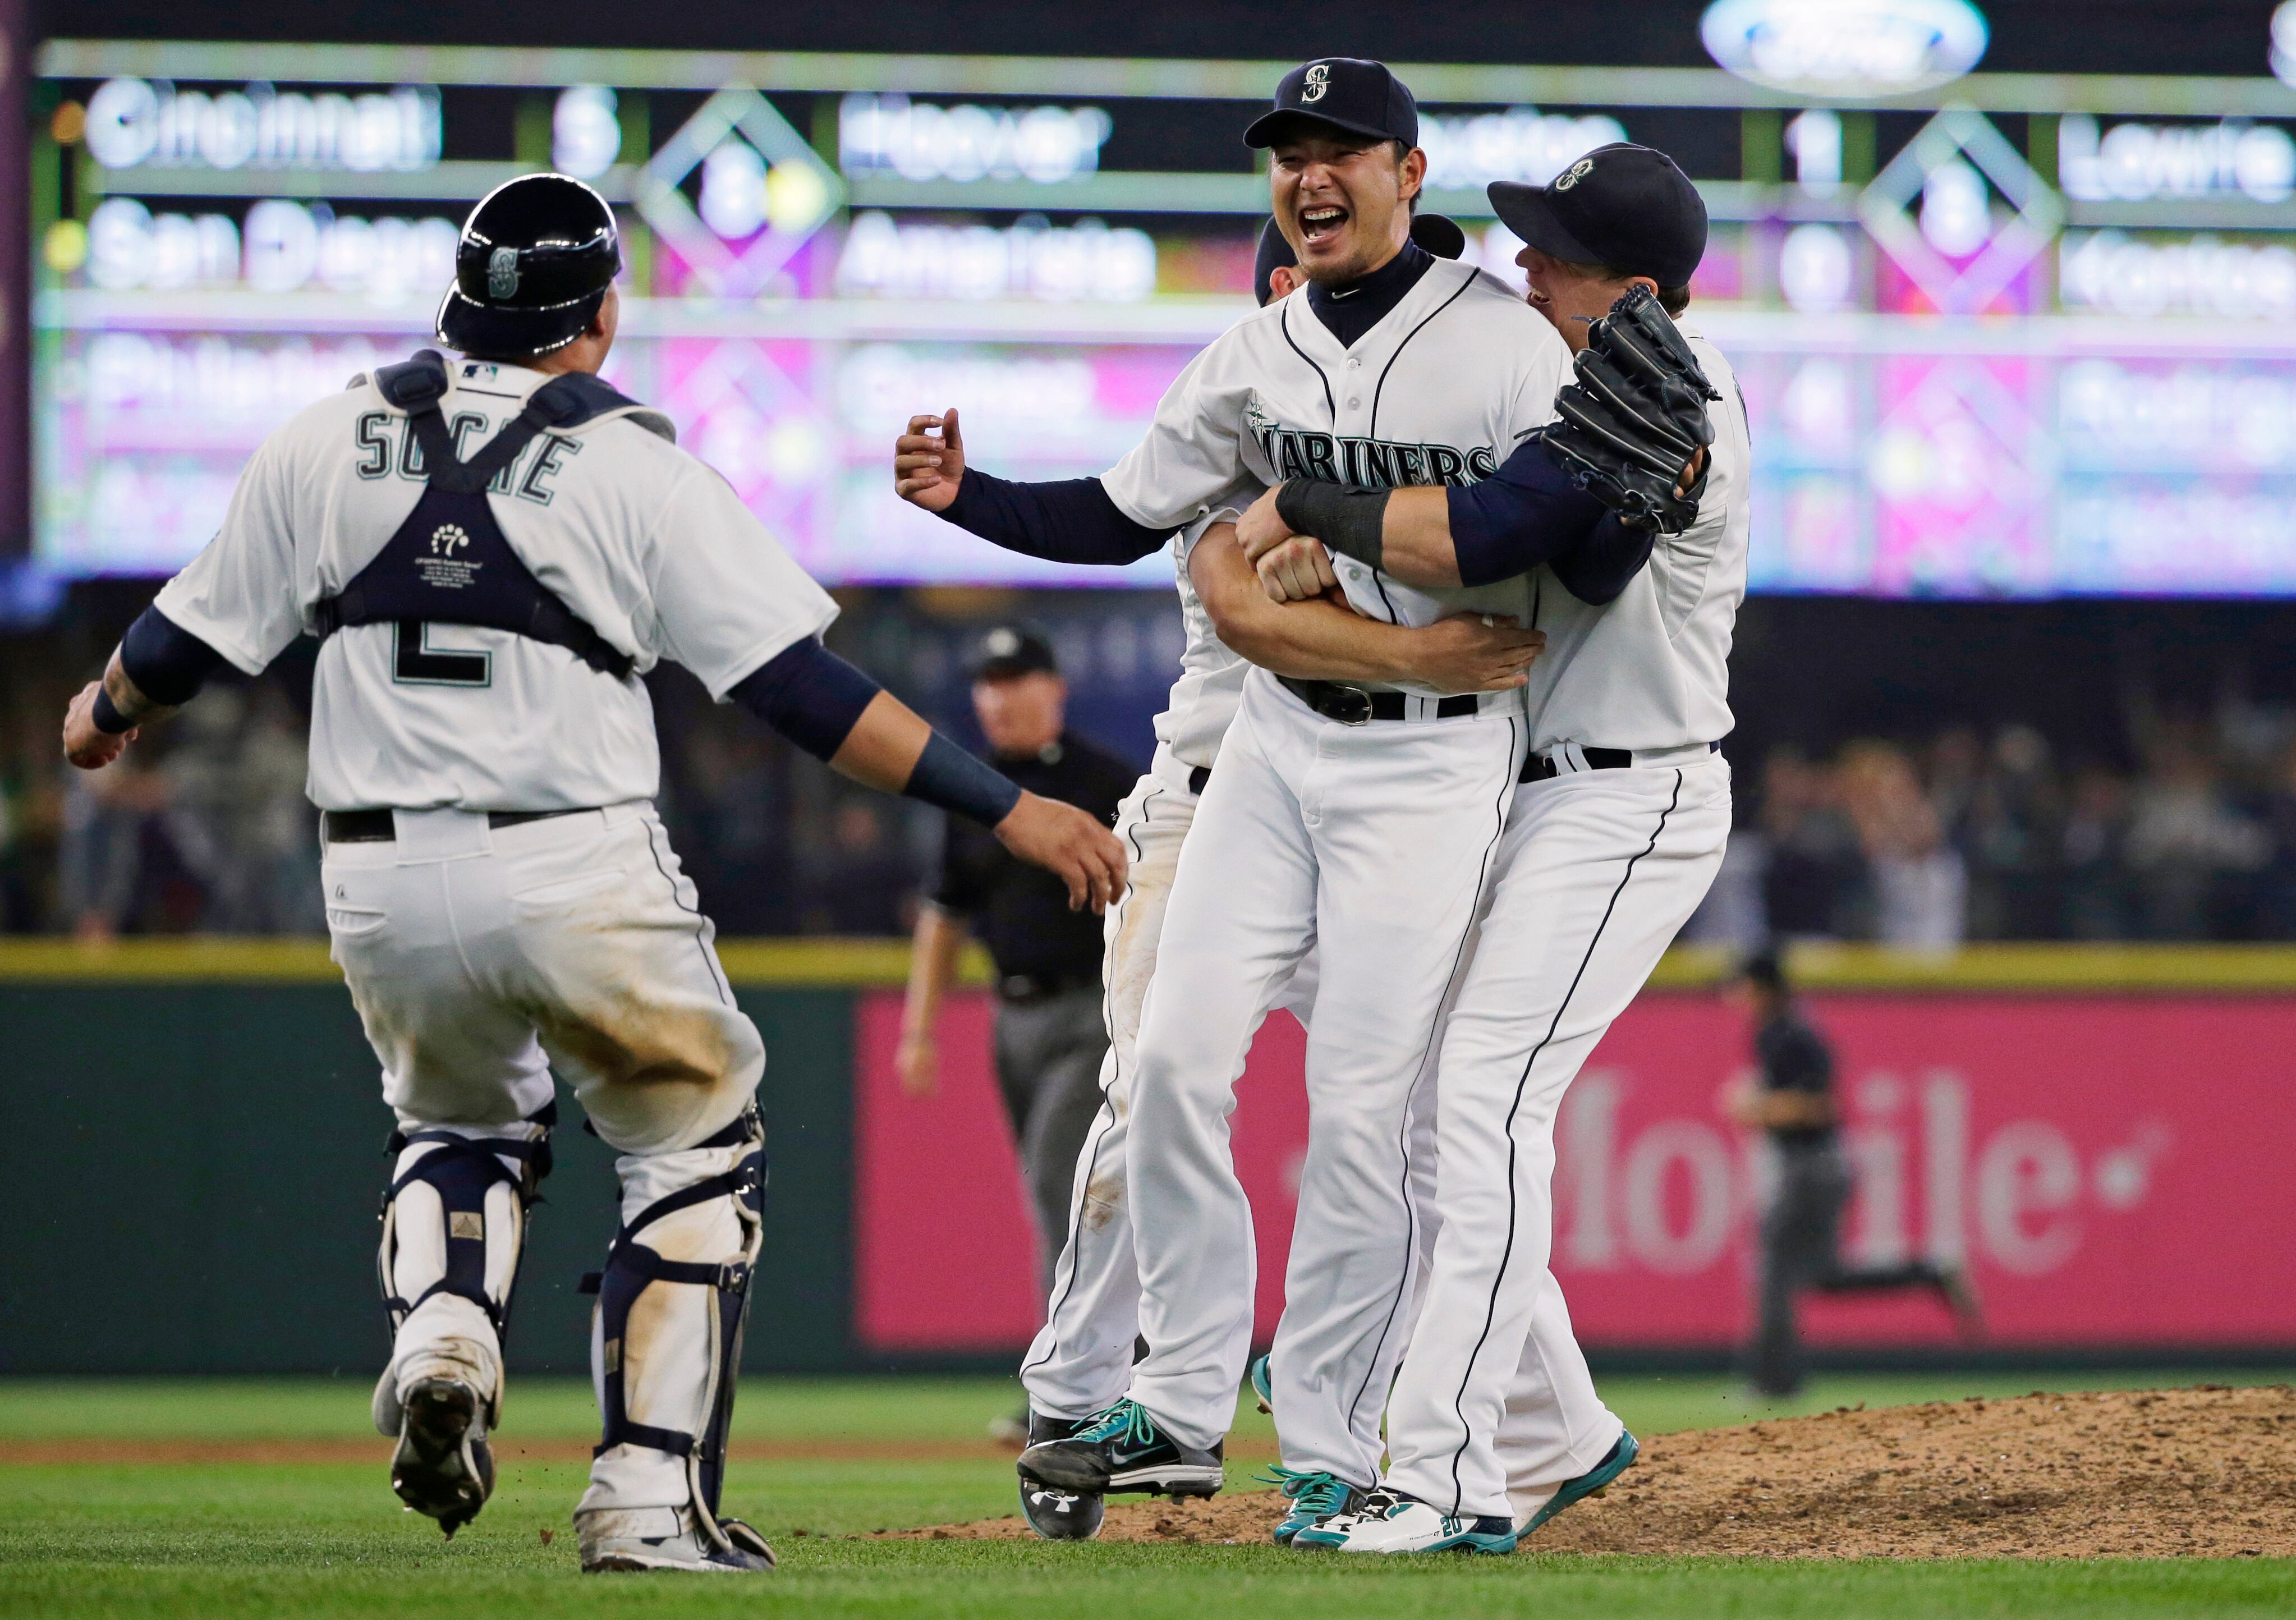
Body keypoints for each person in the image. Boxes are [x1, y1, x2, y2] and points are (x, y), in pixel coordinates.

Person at [60, 172, 1125, 1577]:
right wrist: (1006, 806)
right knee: (692, 1137)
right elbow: (804, 694)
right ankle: (644, 1495)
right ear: (602, 315)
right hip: (570, 853)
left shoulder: (325, 437)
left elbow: (176, 643)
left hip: (375, 872)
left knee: (454, 1121)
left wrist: (104, 714)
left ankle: (446, 1337)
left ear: (458, 299)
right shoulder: (632, 463)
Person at [897, 58, 1655, 1540]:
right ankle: (1179, 1401)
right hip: (1273, 742)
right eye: (1289, 151)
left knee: (1366, 1114)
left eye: (1342, 149)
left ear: (1407, 174)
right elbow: (1116, 511)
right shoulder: (1254, 351)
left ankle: (1328, 1441)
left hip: (1435, 759)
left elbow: (1575, 536)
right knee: (1173, 1062)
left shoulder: (1504, 344)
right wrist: (970, 496)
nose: (1311, 172)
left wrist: (1620, 507)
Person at [1244, 143, 1748, 1553]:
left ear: (1633, 290)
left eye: (1556, 255)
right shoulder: (1565, 391)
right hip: (1525, 795)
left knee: (1478, 1099)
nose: (1524, 266)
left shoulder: (1681, 398)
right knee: (1421, 1102)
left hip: (1630, 792)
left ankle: (1447, 1474)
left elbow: (1502, 539)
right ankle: (1556, 1430)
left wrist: (1308, 500)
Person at [897, 626, 1136, 1315]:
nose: (1000, 699)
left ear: (1054, 688)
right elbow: (945, 914)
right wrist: (919, 1032)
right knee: (1060, 1192)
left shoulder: (1106, 780)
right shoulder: (975, 791)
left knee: (1061, 1179)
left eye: (1015, 681)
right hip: (1013, 1021)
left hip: (1094, 1013)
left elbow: (1160, 893)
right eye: (989, 684)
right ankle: (1107, 1353)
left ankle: (1074, 1363)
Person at [1724, 948, 1981, 1398]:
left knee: (1774, 1266)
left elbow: (1820, 1105)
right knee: (1824, 1275)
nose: (1734, 996)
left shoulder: (1790, 1035)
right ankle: (1931, 1270)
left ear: (1763, 988)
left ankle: (1775, 1380)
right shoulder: (1776, 1031)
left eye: (1741, 986)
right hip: (1815, 1166)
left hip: (1812, 1167)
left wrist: (1757, 1107)